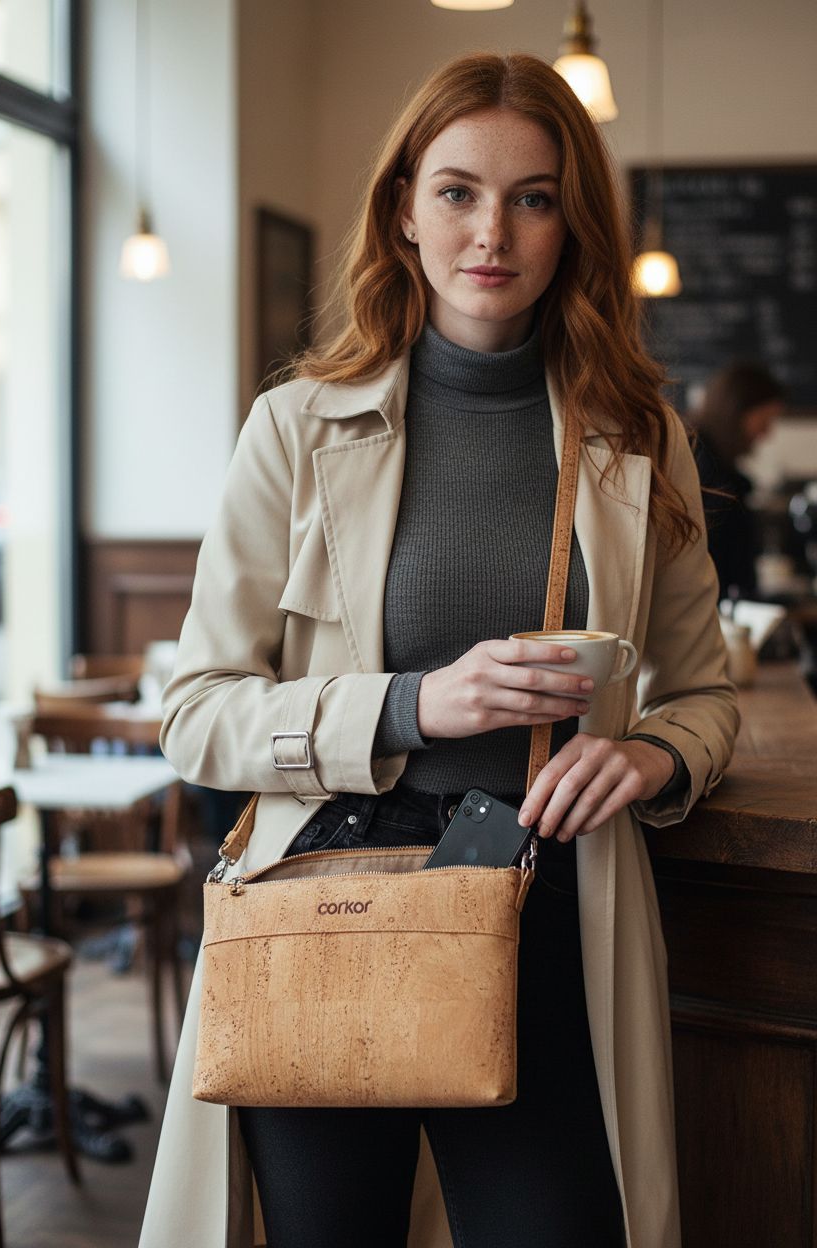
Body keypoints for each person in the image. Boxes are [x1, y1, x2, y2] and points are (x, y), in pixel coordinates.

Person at [139, 52, 738, 1248]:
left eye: (533, 196)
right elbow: (196, 711)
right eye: (458, 191)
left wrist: (657, 759)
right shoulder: (296, 426)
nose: (492, 233)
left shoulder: (636, 438)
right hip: (326, 908)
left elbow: (705, 692)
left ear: (573, 224)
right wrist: (414, 703)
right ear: (404, 208)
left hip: (546, 906)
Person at [690, 362, 786, 601]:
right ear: (737, 412)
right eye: (765, 420)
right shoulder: (709, 471)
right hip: (711, 606)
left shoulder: (709, 460)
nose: (767, 433)